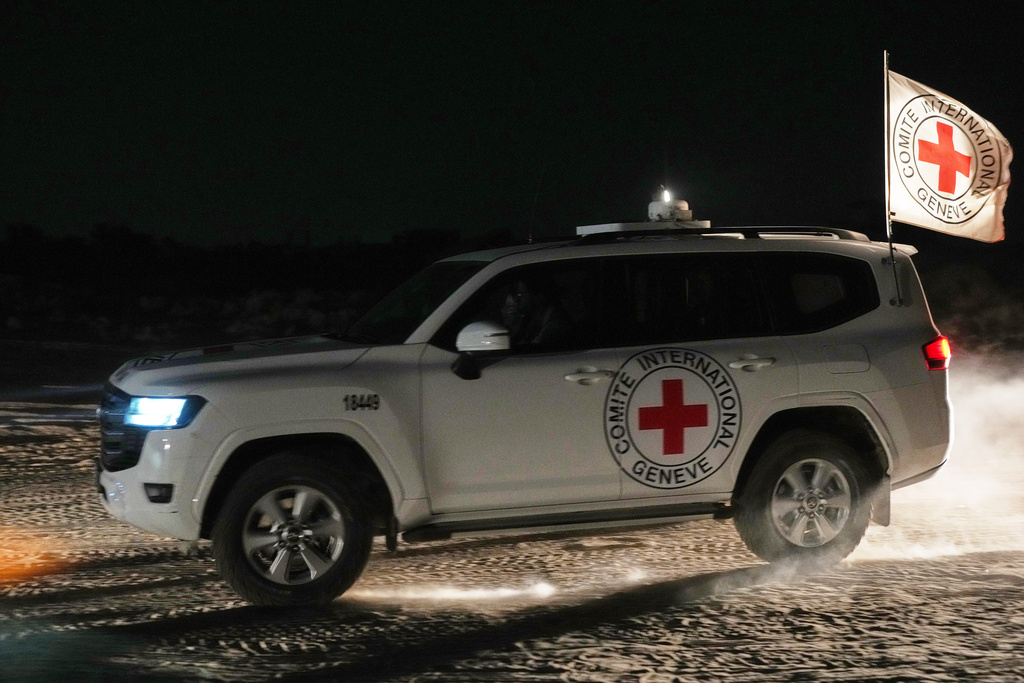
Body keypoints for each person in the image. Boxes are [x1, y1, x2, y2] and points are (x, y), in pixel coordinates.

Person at [501, 276, 573, 348]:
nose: (517, 300)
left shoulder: (555, 326)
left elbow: (528, 353)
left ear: (538, 297)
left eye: (520, 294)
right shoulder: (533, 319)